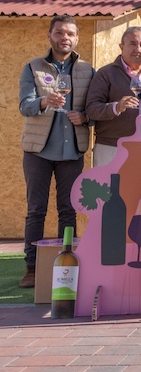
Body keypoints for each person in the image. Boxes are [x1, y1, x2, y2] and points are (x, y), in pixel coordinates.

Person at [18, 15, 94, 288]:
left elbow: (95, 110)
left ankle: (67, 263)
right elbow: (24, 106)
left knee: (68, 210)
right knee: (36, 210)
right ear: (50, 35)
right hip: (37, 151)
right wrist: (43, 101)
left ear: (77, 38)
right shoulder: (33, 67)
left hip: (72, 151)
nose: (65, 38)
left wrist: (84, 117)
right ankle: (32, 268)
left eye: (70, 34)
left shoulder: (88, 70)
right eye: (60, 32)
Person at [86, 26, 141, 166]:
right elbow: (91, 109)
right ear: (121, 46)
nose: (138, 49)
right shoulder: (106, 73)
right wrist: (116, 107)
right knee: (108, 188)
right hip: (111, 147)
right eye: (132, 44)